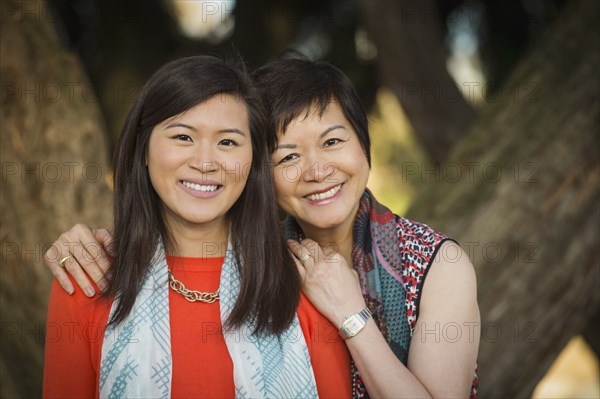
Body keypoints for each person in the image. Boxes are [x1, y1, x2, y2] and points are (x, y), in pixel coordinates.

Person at [45, 54, 480, 398]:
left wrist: (351, 315)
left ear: (363, 145)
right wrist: (82, 241)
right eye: (287, 156)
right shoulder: (272, 259)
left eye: (332, 142)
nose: (316, 170)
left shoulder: (426, 263)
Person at [42, 55, 351, 398]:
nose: (205, 163)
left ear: (253, 162)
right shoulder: (86, 278)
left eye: (228, 142)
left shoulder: (306, 283)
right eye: (183, 137)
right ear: (143, 149)